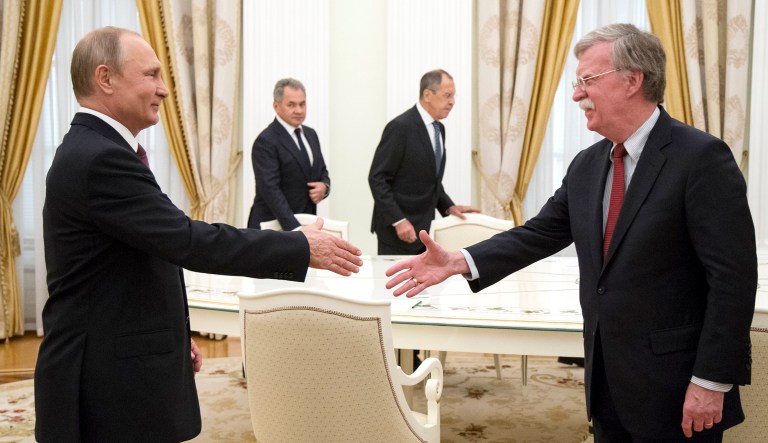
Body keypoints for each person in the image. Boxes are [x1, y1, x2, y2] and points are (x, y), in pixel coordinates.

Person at [385, 24, 756, 442]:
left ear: (633, 80)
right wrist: (458, 260)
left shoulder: (700, 158)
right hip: (606, 382)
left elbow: (733, 279)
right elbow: (538, 234)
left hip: (677, 387)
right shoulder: (587, 164)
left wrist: (711, 381)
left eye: (586, 81)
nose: (577, 94)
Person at [35, 26, 362, 443]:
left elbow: (139, 256)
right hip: (101, 375)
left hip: (116, 354)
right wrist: (299, 245)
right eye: (152, 75)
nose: (164, 89)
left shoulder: (98, 149)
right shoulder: (100, 158)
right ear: (105, 79)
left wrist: (171, 332)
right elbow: (187, 240)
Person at [368, 69, 479, 255]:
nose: (452, 102)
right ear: (427, 95)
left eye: (453, 96)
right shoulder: (400, 127)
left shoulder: (439, 129)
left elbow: (431, 179)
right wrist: (399, 220)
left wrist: (448, 207)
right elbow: (377, 178)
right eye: (447, 95)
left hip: (424, 230)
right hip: (398, 233)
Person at [247, 78, 331, 230]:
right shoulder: (266, 141)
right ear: (276, 106)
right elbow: (270, 190)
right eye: (291, 105)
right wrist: (296, 229)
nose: (299, 110)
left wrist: (324, 187)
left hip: (306, 223)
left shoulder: (311, 135)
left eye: (302, 104)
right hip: (273, 228)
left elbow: (322, 171)